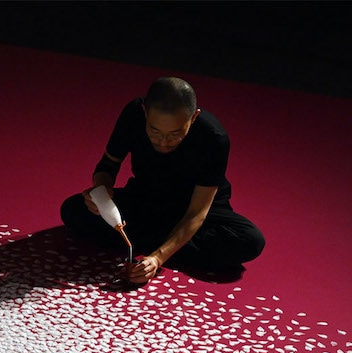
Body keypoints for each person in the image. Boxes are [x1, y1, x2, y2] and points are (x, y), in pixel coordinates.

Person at [60, 76, 265, 284]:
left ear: (193, 117)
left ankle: (150, 242)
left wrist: (157, 258)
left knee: (250, 241)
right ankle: (170, 242)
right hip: (147, 198)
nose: (164, 143)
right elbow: (107, 167)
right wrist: (101, 194)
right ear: (145, 112)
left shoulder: (214, 137)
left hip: (198, 209)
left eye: (175, 134)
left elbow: (196, 214)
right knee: (73, 210)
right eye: (155, 131)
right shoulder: (133, 114)